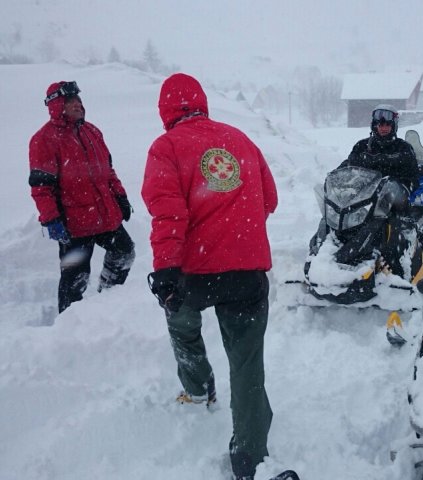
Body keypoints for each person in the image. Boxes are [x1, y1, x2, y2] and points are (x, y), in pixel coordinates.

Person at [141, 73, 278, 480]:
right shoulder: (240, 139)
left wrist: (166, 268)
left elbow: (167, 212)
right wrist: (235, 231)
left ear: (165, 110)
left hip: (191, 271)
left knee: (182, 325)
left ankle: (198, 387)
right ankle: (251, 456)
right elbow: (270, 199)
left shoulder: (165, 147)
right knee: (247, 362)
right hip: (247, 272)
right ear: (202, 102)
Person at [29, 81, 135, 313]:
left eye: (78, 100)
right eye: (70, 101)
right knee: (75, 278)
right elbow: (41, 188)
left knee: (124, 251)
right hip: (73, 225)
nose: (77, 104)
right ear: (57, 105)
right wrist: (51, 219)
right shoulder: (44, 139)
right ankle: (68, 325)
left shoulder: (92, 131)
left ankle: (108, 298)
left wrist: (121, 197)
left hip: (105, 215)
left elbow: (108, 171)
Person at [335, 105, 423, 274]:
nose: (383, 128)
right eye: (380, 125)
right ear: (374, 126)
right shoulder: (362, 147)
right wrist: (336, 176)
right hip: (364, 199)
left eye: (387, 125)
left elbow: (413, 178)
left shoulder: (403, 148)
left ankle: (418, 254)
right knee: (337, 217)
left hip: (396, 200)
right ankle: (326, 252)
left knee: (391, 214)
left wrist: (402, 187)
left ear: (393, 127)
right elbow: (348, 166)